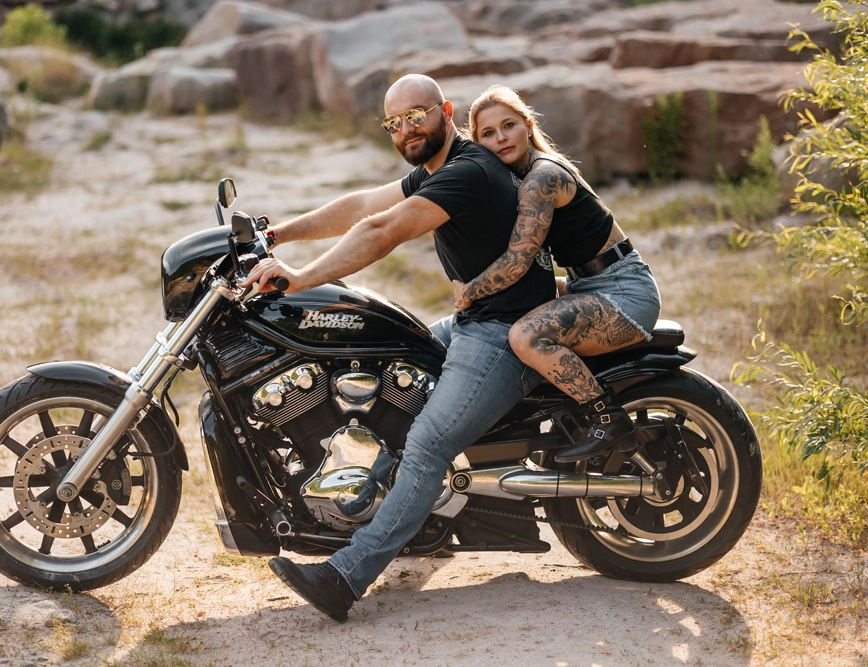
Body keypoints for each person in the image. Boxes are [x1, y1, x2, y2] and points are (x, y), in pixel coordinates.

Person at [242, 74, 557, 622]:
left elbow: (382, 230)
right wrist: (276, 235)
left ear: (446, 112)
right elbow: (362, 205)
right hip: (474, 320)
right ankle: (389, 505)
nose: (407, 129)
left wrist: (301, 278)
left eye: (417, 115)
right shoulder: (435, 168)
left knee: (429, 444)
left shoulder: (467, 171)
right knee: (394, 370)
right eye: (394, 122)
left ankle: (345, 577)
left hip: (504, 333)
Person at [453, 84, 662, 463]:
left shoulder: (541, 178)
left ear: (529, 126)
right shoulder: (520, 178)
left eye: (509, 125)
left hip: (624, 293)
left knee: (525, 336)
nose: (501, 138)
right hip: (588, 284)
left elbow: (517, 261)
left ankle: (607, 417)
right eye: (488, 133)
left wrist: (469, 291)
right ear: (478, 142)